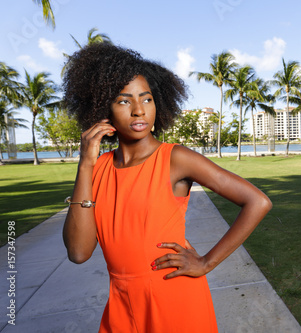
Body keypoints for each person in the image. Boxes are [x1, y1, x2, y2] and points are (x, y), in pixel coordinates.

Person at [62, 43, 272, 332]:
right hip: (122, 303)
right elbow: (78, 252)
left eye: (146, 99)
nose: (138, 110)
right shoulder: (97, 169)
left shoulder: (175, 159)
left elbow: (257, 202)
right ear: (102, 110)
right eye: (124, 101)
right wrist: (85, 164)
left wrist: (207, 262)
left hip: (174, 299)